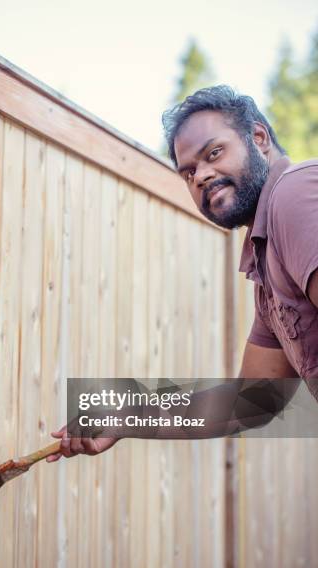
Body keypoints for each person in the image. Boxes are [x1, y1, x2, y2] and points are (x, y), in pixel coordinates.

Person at [47, 85, 318, 462]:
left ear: (259, 138)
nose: (202, 176)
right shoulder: (265, 264)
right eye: (188, 172)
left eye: (214, 153)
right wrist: (127, 417)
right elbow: (254, 400)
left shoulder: (296, 192)